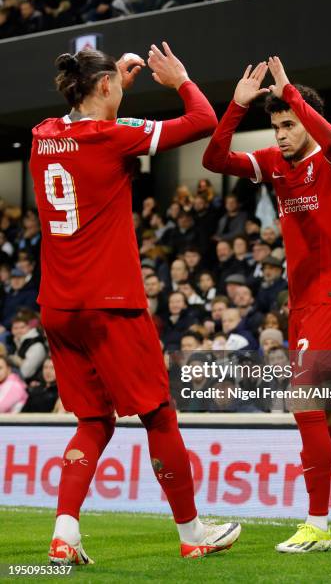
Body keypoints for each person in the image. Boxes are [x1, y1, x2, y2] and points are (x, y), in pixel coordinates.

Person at [29, 44, 240, 565]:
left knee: (93, 421)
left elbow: (74, 119)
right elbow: (202, 120)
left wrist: (111, 83)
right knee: (159, 415)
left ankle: (65, 533)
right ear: (104, 88)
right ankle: (192, 533)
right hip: (111, 303)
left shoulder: (43, 136)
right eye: (116, 84)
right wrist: (180, 80)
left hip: (58, 307)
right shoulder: (112, 137)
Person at [203, 57, 331, 551]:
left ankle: (317, 525)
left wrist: (293, 95)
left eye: (288, 124)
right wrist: (236, 108)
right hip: (302, 304)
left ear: (306, 120)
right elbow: (215, 160)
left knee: (305, 406)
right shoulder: (275, 165)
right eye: (275, 125)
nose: (279, 134)